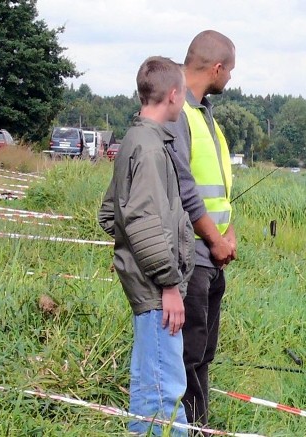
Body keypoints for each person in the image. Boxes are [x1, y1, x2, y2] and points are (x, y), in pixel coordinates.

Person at [98, 56, 195, 436]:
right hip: (159, 293)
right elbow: (139, 220)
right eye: (183, 94)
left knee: (149, 383)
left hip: (148, 285)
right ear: (172, 95)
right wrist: (167, 284)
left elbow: (111, 214)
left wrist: (130, 255)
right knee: (163, 391)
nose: (184, 101)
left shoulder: (135, 140)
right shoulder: (152, 150)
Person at [165, 30, 236, 429]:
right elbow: (185, 188)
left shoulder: (206, 114)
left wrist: (230, 234)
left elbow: (221, 187)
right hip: (193, 256)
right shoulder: (178, 114)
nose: (230, 79)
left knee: (203, 353)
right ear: (217, 67)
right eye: (231, 71)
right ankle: (187, 426)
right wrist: (213, 238)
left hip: (214, 256)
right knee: (188, 353)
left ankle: (201, 424)